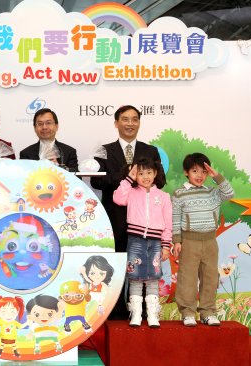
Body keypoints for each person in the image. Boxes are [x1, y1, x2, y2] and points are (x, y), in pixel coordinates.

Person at [90, 105, 161, 320]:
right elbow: (96, 180)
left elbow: (160, 181)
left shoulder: (150, 151)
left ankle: (145, 311)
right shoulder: (104, 150)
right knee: (117, 262)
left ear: (139, 122)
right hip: (114, 217)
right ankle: (116, 310)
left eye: (134, 119)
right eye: (125, 119)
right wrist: (127, 176)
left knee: (145, 264)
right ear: (116, 123)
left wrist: (135, 179)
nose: (130, 123)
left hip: (145, 218)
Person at [171, 153, 234, 327]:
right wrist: (177, 240)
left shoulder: (213, 192)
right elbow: (175, 218)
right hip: (189, 242)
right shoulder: (179, 194)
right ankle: (188, 313)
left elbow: (230, 193)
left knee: (210, 277)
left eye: (203, 172)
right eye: (194, 171)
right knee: (187, 278)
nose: (199, 175)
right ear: (186, 172)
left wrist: (217, 177)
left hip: (210, 242)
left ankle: (208, 312)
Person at [113, 157, 171, 327]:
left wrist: (166, 245)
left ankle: (153, 314)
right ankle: (136, 314)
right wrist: (128, 179)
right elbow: (117, 198)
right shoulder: (130, 192)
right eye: (140, 173)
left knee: (153, 277)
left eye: (149, 172)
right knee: (135, 277)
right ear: (135, 175)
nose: (145, 176)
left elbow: (168, 223)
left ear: (155, 174)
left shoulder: (163, 196)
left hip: (155, 241)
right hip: (135, 240)